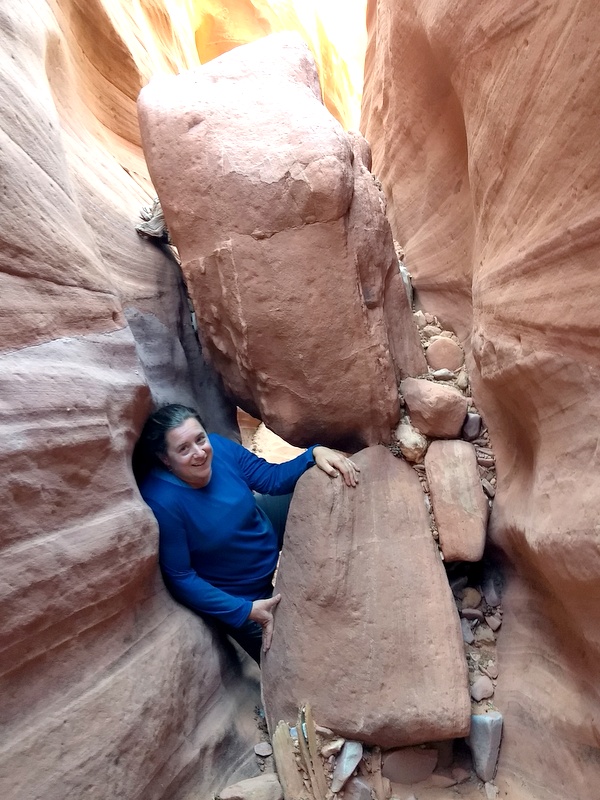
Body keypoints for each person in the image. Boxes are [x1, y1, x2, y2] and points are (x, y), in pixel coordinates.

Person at [137, 404, 359, 664]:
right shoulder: (162, 500)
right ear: (165, 459)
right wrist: (243, 610)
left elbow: (270, 478)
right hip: (245, 594)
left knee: (325, 479)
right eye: (183, 449)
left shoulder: (218, 448)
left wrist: (314, 452)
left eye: (200, 439)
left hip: (262, 528)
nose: (199, 453)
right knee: (289, 662)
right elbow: (181, 577)